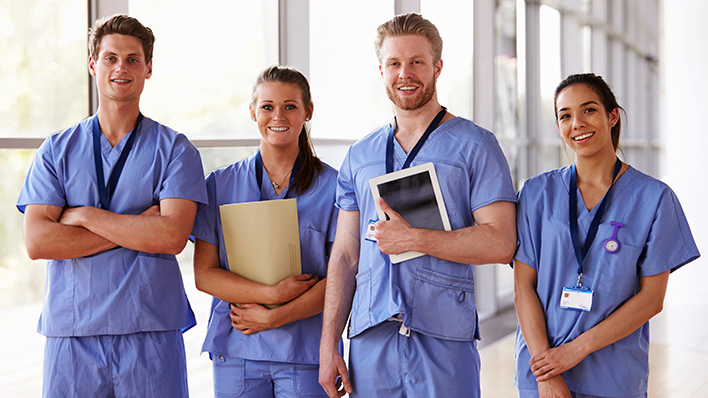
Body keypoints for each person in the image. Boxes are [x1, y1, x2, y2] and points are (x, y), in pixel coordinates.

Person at [318, 13, 517, 398]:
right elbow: (344, 254)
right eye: (394, 63)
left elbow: (501, 242)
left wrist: (414, 238)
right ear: (381, 70)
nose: (404, 73)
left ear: (437, 67)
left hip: (443, 334)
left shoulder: (476, 146)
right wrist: (329, 345)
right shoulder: (361, 156)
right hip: (370, 337)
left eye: (416, 62)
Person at [16, 14, 207, 398]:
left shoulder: (175, 150)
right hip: (73, 334)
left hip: (149, 330)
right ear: (92, 65)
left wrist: (85, 216)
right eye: (110, 58)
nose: (122, 67)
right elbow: (39, 242)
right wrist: (138, 226)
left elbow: (171, 236)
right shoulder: (56, 151)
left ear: (148, 68)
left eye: (133, 59)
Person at [513, 73, 700, 398]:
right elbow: (522, 287)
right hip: (541, 373)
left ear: (612, 116)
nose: (577, 124)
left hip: (613, 377)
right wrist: (545, 372)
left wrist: (574, 351)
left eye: (588, 110)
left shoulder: (653, 199)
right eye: (565, 115)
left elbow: (651, 299)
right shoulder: (536, 194)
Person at [190, 65, 338, 398]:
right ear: (253, 112)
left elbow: (341, 276)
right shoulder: (220, 185)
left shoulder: (334, 187)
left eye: (290, 106)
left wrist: (276, 316)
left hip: (304, 349)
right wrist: (271, 295)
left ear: (308, 112)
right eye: (268, 106)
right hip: (238, 345)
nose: (278, 116)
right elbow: (204, 275)